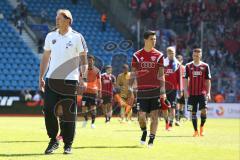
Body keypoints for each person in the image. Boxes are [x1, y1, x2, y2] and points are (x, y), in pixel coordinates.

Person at [39, 9, 88, 154]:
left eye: (59, 18)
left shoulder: (77, 37)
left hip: (70, 81)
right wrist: (41, 76)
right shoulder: (50, 36)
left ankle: (68, 144)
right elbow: (46, 57)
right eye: (56, 18)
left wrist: (83, 77)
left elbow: (84, 58)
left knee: (68, 114)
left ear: (68, 20)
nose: (56, 20)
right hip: (51, 79)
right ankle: (53, 140)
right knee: (48, 110)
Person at [129, 30, 166, 147]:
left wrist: (163, 91)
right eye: (152, 39)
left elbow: (161, 74)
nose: (154, 41)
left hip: (155, 90)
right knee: (141, 116)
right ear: (145, 40)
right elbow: (133, 73)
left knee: (155, 116)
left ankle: (151, 139)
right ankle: (144, 131)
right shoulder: (137, 55)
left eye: (155, 39)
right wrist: (130, 88)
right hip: (142, 91)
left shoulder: (159, 55)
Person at [184, 48, 211, 137]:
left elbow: (208, 80)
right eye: (195, 55)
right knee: (193, 113)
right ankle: (195, 131)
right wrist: (185, 90)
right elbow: (185, 79)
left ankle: (201, 127)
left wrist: (208, 92)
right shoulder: (188, 66)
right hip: (191, 94)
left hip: (202, 93)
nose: (196, 57)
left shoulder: (205, 66)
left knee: (204, 111)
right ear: (192, 55)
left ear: (200, 56)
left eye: (198, 55)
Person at [163, 46, 182, 130]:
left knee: (172, 107)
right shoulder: (163, 63)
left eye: (173, 53)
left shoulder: (177, 64)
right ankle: (166, 123)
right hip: (164, 89)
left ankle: (170, 125)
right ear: (167, 53)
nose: (171, 54)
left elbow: (179, 78)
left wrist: (180, 90)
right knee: (165, 108)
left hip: (173, 89)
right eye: (170, 53)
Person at [81, 55, 101, 129]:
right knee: (83, 108)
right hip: (85, 92)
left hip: (93, 92)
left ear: (93, 61)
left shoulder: (97, 71)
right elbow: (80, 79)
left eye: (91, 60)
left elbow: (99, 82)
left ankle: (93, 123)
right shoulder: (84, 70)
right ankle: (86, 120)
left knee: (93, 108)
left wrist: (100, 91)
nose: (89, 61)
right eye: (88, 60)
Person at [176, 55, 189, 121]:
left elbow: (187, 78)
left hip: (183, 88)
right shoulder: (174, 68)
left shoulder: (184, 68)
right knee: (177, 102)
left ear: (182, 61)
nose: (178, 62)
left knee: (182, 103)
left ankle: (180, 116)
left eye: (179, 60)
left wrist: (187, 87)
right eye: (177, 60)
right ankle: (177, 117)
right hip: (176, 88)